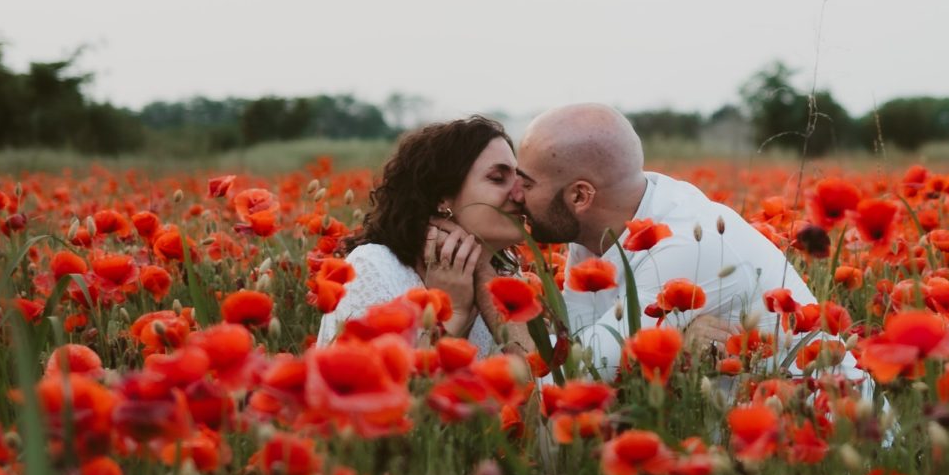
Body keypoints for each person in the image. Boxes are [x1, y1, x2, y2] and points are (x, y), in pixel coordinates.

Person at [516, 103, 853, 380]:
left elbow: (571, 377)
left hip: (827, 438)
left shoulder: (685, 244)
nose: (515, 195)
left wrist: (486, 278)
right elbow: (573, 344)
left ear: (579, 195)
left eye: (526, 184)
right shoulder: (593, 230)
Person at [316, 117, 533, 352]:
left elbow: (538, 380)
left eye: (519, 178)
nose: (520, 194)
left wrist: (483, 274)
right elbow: (374, 384)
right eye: (498, 179)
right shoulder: (374, 266)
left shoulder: (506, 272)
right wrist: (453, 313)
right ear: (442, 198)